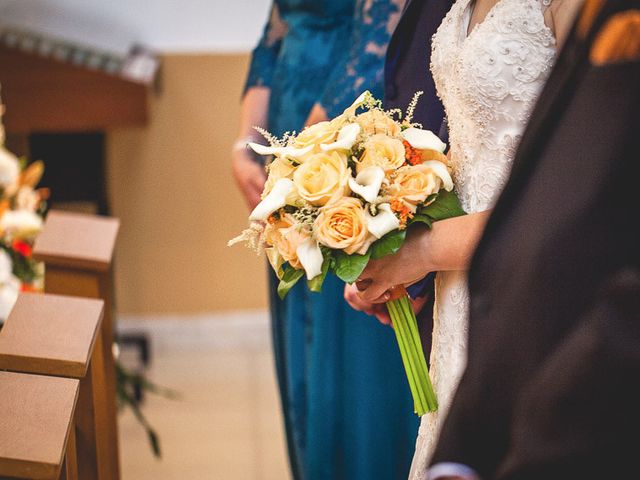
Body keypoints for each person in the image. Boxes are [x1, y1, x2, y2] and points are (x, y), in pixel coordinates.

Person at [353, 0, 584, 477]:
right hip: (458, 283)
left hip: (535, 277)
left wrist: (426, 250)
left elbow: (577, 196)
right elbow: (464, 146)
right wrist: (386, 233)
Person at [232, 1, 419, 478]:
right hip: (287, 138)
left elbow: (376, 40)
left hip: (342, 127)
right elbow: (272, 38)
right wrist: (246, 145)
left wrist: (302, 153)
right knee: (301, 319)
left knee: (351, 324)